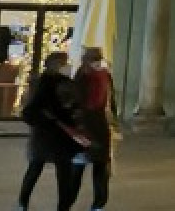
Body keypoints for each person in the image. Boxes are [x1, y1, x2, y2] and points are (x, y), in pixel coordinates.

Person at [17, 51, 87, 211]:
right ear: (52, 64)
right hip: (46, 133)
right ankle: (23, 202)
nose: (65, 66)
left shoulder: (64, 82)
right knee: (37, 168)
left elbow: (74, 103)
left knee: (61, 172)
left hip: (58, 135)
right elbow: (31, 110)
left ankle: (62, 206)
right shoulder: (42, 83)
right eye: (62, 63)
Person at [72, 47, 116, 211]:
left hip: (97, 124)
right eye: (95, 60)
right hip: (87, 124)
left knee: (98, 167)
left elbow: (111, 100)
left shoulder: (104, 75)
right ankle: (71, 201)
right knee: (79, 168)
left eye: (99, 59)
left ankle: (98, 204)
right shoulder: (82, 76)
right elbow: (76, 100)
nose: (97, 63)